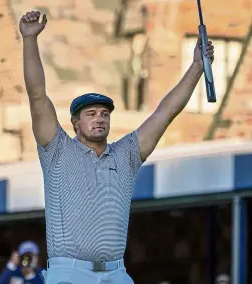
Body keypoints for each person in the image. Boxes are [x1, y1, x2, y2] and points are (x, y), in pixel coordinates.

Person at [19, 10, 214, 284]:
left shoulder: (127, 154)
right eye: (91, 114)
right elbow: (37, 95)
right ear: (75, 122)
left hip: (116, 273)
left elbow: (164, 113)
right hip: (70, 273)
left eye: (104, 113)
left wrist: (196, 67)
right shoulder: (57, 150)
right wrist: (29, 40)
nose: (99, 118)